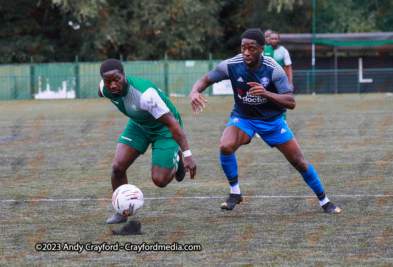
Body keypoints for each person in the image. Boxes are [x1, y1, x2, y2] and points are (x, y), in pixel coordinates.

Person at [190, 28, 341, 214]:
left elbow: (291, 102)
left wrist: (266, 93)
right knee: (225, 146)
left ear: (262, 49)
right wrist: (194, 91)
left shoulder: (273, 69)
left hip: (272, 121)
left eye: (251, 48)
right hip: (243, 118)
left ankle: (324, 201)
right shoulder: (230, 65)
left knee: (299, 162)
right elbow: (205, 79)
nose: (246, 52)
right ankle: (235, 193)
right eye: (243, 47)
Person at [98, 59, 197, 224]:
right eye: (108, 81)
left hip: (164, 129)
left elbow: (173, 124)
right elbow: (101, 89)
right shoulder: (105, 88)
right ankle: (121, 212)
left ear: (124, 75)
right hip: (139, 126)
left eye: (116, 79)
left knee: (160, 181)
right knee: (117, 167)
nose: (112, 85)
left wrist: (188, 154)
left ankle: (177, 158)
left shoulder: (145, 95)